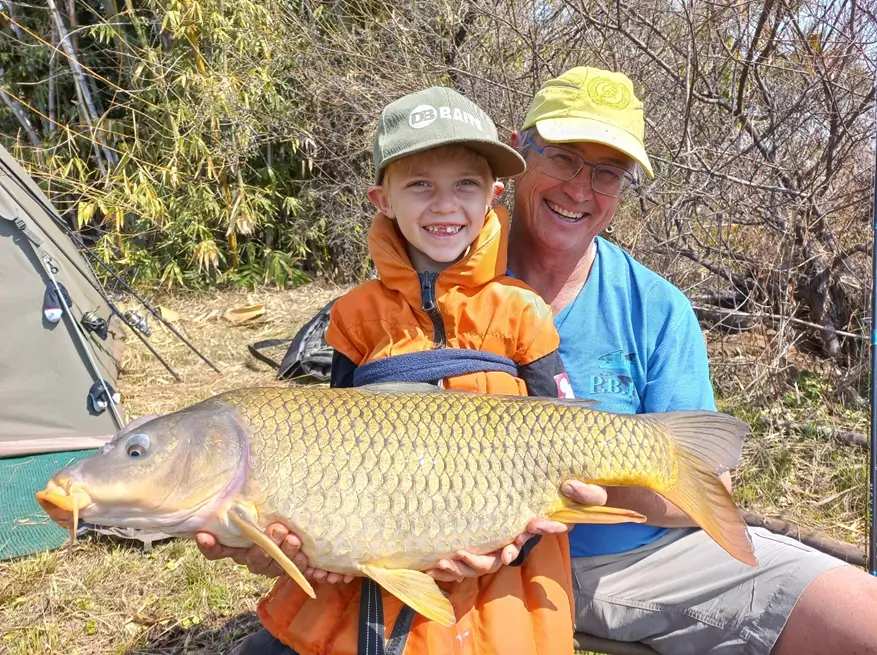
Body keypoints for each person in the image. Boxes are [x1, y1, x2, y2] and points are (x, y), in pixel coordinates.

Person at [200, 67, 877, 655]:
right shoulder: (425, 258)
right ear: (519, 156)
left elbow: (704, 490)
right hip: (442, 560)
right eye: (563, 159)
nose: (580, 187)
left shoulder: (656, 306)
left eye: (605, 171)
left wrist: (529, 494)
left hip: (630, 559)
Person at [216, 85, 587, 655]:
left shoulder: (522, 311)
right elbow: (329, 445)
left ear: (492, 194)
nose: (444, 205)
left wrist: (518, 542)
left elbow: (564, 439)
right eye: (420, 185)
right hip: (374, 574)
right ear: (382, 199)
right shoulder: (353, 316)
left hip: (498, 586)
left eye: (465, 184)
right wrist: (319, 542)